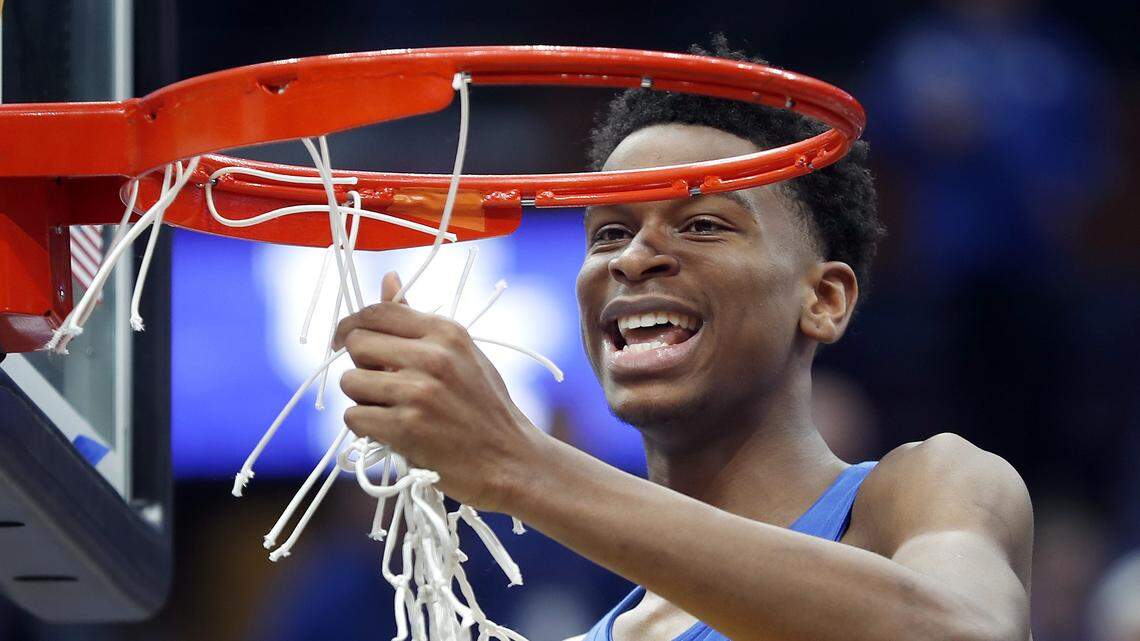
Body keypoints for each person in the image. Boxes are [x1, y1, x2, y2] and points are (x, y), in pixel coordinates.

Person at [332, 39, 1034, 641]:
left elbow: (966, 632)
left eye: (702, 225)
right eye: (609, 232)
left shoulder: (926, 489)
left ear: (822, 299)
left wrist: (520, 464)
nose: (632, 258)